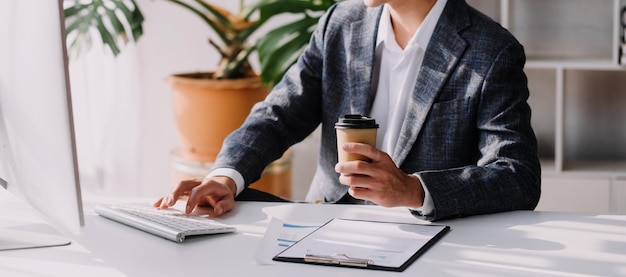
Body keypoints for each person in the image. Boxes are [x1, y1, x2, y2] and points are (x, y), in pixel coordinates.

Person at [155, 0, 541, 221]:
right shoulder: (342, 23)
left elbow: (518, 175)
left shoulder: (490, 50)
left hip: (427, 241)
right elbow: (280, 113)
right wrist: (225, 177)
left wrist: (412, 189)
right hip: (324, 229)